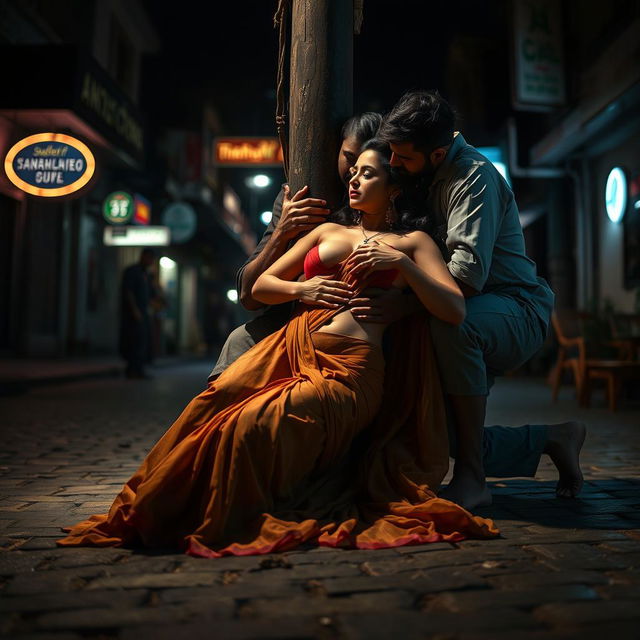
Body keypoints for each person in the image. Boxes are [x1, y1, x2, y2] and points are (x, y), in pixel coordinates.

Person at [57, 140, 498, 557]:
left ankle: (219, 512)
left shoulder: (412, 244)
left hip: (350, 372)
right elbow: (262, 285)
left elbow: (453, 309)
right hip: (291, 351)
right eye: (354, 172)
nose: (354, 180)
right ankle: (167, 508)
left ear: (395, 186)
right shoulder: (327, 230)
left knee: (253, 424)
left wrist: (400, 264)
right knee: (214, 407)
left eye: (368, 174)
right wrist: (302, 288)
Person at [377, 90, 586, 509]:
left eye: (403, 157)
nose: (394, 164)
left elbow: (465, 282)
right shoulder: (426, 178)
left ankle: (473, 477)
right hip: (465, 304)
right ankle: (551, 438)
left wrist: (401, 304)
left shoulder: (473, 178)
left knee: (453, 325)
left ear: (437, 154)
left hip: (514, 308)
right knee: (434, 417)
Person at [208, 112, 418, 381]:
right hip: (296, 319)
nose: (353, 175)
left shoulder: (406, 215)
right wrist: (283, 233)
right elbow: (250, 294)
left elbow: (444, 286)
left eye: (368, 171)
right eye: (350, 159)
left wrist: (406, 304)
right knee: (239, 342)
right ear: (337, 151)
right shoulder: (302, 200)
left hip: (366, 331)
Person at [119, 248, 157, 379]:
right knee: (134, 341)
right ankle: (132, 369)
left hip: (144, 313)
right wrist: (135, 310)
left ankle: (138, 369)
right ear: (144, 257)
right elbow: (128, 292)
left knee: (142, 342)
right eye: (150, 258)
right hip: (133, 314)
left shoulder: (146, 274)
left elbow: (152, 294)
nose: (151, 262)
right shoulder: (133, 271)